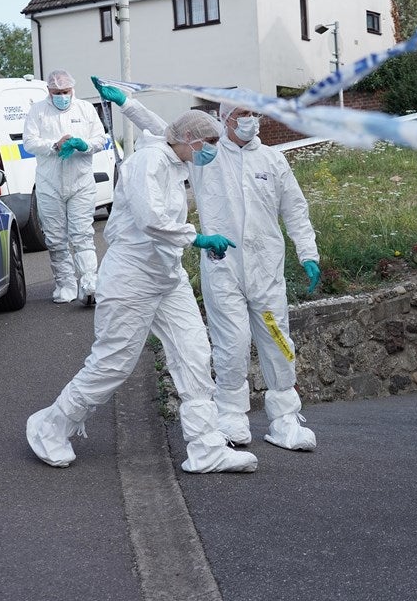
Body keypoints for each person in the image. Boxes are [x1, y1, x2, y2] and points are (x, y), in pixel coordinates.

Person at [93, 78, 320, 452]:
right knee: (231, 343)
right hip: (223, 266)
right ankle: (231, 415)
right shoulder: (206, 155)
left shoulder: (273, 160)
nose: (252, 120)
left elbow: (295, 209)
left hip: (266, 269)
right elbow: (165, 130)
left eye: (255, 114)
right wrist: (127, 104)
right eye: (244, 114)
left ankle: (284, 418)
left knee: (278, 340)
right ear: (226, 119)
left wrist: (308, 253)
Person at [26, 109, 258, 474]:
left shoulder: (177, 163)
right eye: (210, 142)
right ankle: (50, 426)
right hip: (130, 276)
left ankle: (206, 447)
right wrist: (197, 237)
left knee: (194, 354)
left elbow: (166, 222)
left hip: (167, 275)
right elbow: (152, 219)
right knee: (112, 363)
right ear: (189, 139)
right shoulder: (148, 161)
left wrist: (192, 241)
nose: (214, 149)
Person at [23, 69, 107, 306]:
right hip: (49, 184)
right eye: (56, 92)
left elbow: (101, 139)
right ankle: (65, 284)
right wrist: (54, 145)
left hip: (80, 181)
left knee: (82, 235)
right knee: (55, 238)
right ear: (48, 91)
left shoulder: (85, 109)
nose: (61, 96)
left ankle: (90, 283)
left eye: (65, 92)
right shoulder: (38, 111)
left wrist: (83, 144)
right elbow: (29, 142)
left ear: (73, 90)